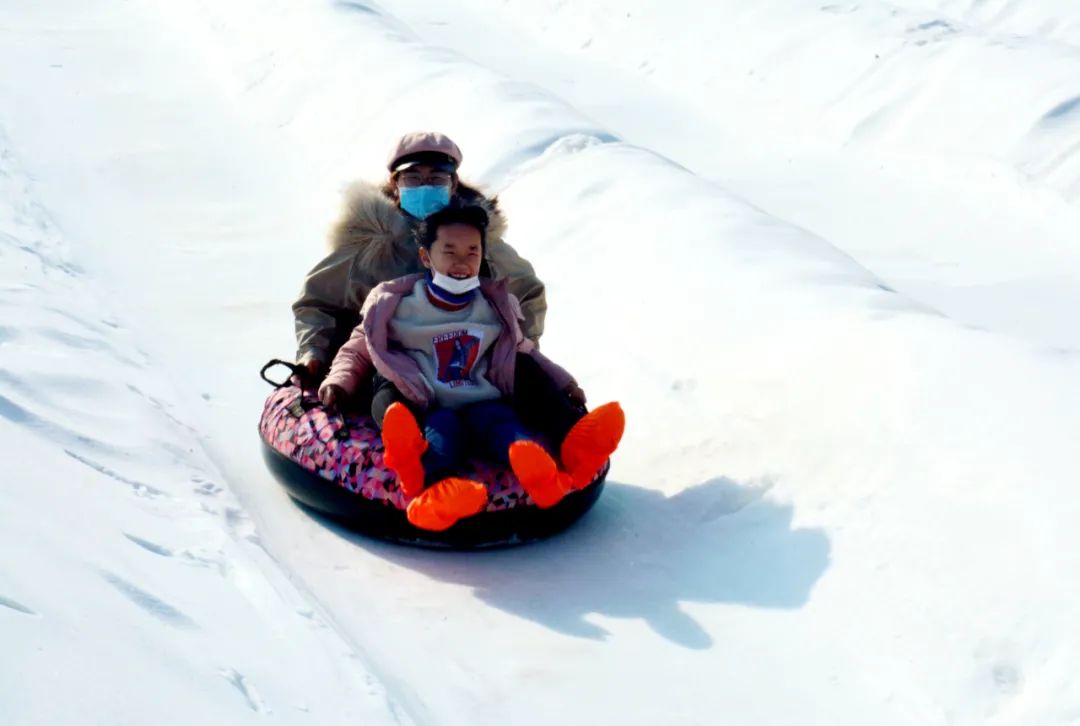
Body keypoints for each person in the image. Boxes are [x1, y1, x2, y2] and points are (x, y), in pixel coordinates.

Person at [318, 206, 623, 531]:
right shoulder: (396, 304)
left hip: (484, 399)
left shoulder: (494, 305)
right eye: (449, 252)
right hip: (430, 402)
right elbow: (358, 348)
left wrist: (564, 384)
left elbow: (527, 351)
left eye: (472, 252)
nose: (462, 262)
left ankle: (555, 460)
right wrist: (338, 382)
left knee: (505, 427)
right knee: (442, 435)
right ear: (426, 256)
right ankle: (432, 488)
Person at [292, 131, 549, 389]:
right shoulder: (368, 243)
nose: (425, 187)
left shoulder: (478, 241)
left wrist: (512, 350)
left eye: (436, 178)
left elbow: (527, 292)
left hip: (471, 370)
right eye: (413, 178)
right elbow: (318, 303)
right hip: (389, 370)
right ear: (396, 184)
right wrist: (314, 351)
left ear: (453, 183)